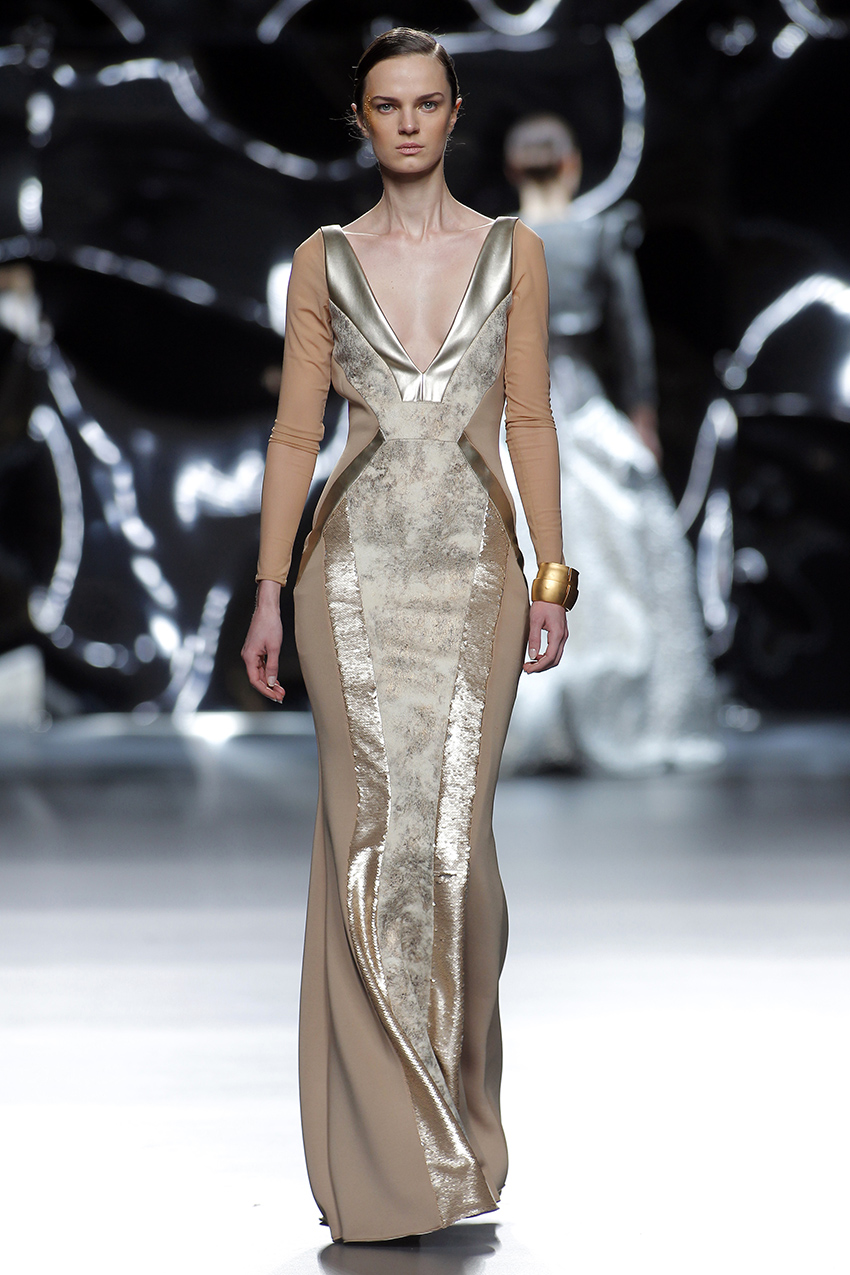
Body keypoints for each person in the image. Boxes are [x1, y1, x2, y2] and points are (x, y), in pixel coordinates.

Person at [241, 30, 575, 1244]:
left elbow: (529, 419)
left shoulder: (512, 252)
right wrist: (270, 588)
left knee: (454, 851)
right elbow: (296, 435)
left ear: (454, 112)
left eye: (427, 103)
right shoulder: (322, 260)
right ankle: (391, 1162)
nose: (409, 124)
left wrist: (552, 577)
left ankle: (458, 1125)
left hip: (479, 577)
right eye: (388, 105)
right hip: (349, 582)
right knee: (370, 844)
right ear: (362, 120)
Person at [502, 114, 722, 775]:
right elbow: (631, 336)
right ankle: (619, 712)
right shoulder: (600, 235)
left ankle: (525, 716)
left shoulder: (494, 241)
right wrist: (643, 418)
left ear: (513, 171)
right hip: (584, 408)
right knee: (621, 552)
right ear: (571, 165)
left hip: (516, 409)